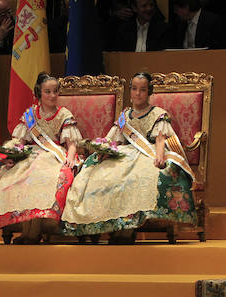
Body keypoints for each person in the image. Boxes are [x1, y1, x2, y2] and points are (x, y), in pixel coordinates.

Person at [60, 72, 196, 243]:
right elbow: (113, 138)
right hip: (125, 153)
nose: (137, 93)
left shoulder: (158, 113)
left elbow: (161, 138)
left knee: (135, 178)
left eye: (142, 90)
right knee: (101, 174)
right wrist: (102, 149)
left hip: (147, 153)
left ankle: (127, 229)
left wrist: (159, 156)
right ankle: (105, 225)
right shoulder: (125, 115)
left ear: (149, 92)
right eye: (134, 89)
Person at [0, 72, 81, 243]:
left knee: (38, 179)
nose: (52, 95)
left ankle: (34, 231)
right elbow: (19, 142)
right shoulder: (30, 115)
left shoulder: (63, 114)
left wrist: (71, 157)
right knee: (16, 178)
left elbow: (71, 143)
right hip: (31, 156)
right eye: (48, 92)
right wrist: (11, 154)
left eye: (55, 91)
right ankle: (26, 230)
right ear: (39, 93)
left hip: (52, 156)